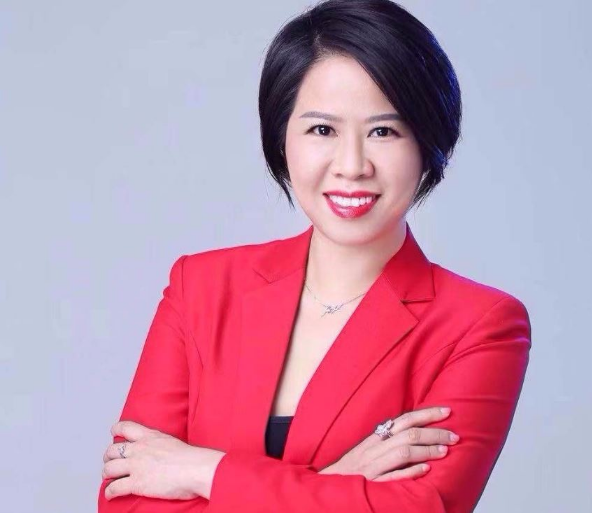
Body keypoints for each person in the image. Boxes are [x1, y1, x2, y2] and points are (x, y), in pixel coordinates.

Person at [97, 0, 532, 511]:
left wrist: (203, 470)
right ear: (282, 138)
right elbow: (125, 500)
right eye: (322, 130)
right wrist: (336, 482)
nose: (352, 165)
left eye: (384, 131)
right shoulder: (201, 287)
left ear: (427, 143)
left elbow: (420, 508)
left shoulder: (479, 325)